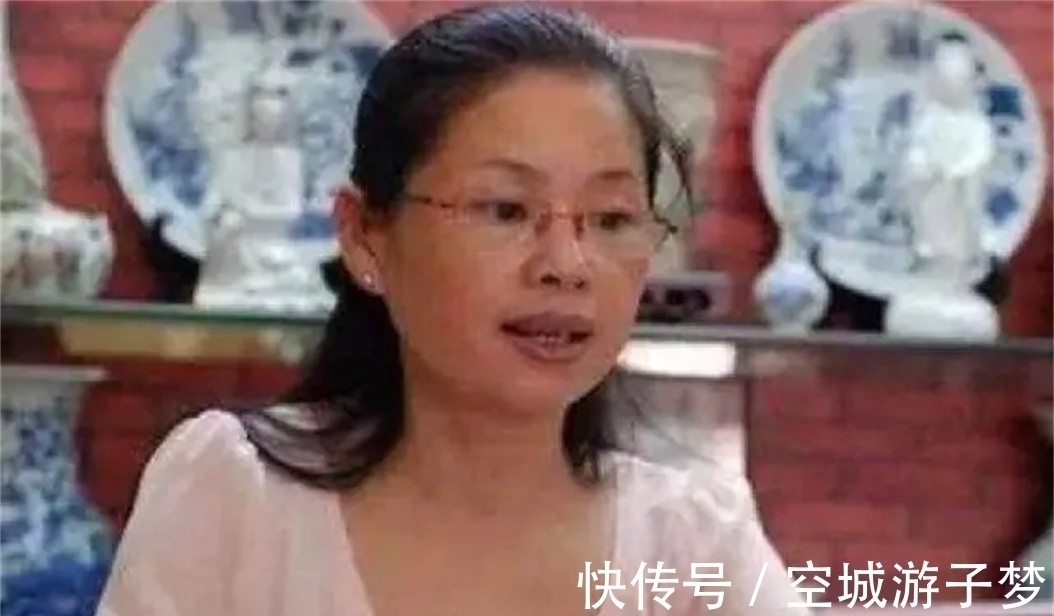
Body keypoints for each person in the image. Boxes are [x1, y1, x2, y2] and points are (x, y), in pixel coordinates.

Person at [95, 5, 808, 615]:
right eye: (505, 209)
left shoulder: (694, 546)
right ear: (365, 235)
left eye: (612, 218)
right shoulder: (236, 498)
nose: (566, 264)